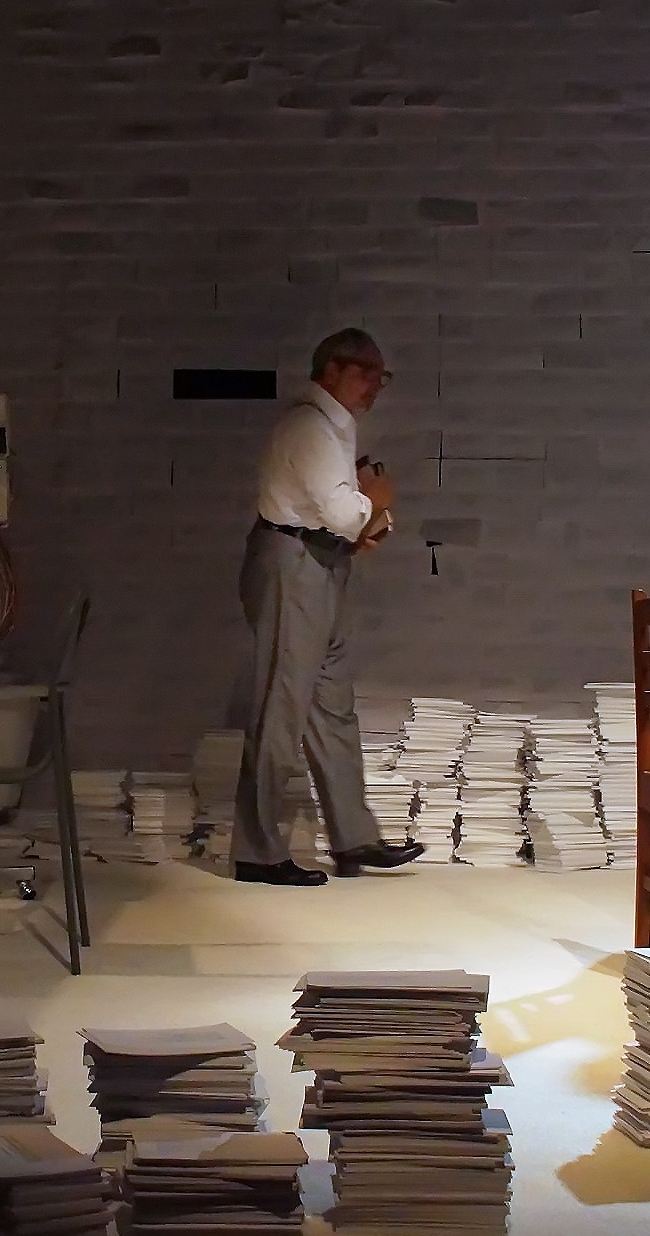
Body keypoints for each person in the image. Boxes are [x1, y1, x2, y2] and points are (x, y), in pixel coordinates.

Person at [232, 328, 427, 886]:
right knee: (281, 705)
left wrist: (359, 520)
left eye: (381, 376)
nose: (375, 386)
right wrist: (373, 501)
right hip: (294, 562)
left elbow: (337, 517)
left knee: (331, 704)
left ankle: (353, 836)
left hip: (318, 559)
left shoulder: (333, 427)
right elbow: (343, 513)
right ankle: (258, 851)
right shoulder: (311, 427)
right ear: (331, 369)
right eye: (365, 372)